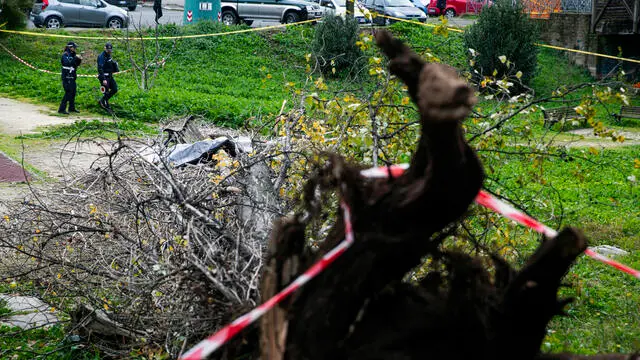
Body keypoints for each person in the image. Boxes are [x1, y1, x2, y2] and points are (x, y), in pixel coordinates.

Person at [58, 41, 82, 115]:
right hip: (66, 75)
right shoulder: (65, 55)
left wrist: (79, 60)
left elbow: (75, 65)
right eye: (74, 47)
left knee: (73, 92)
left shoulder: (73, 54)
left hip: (72, 75)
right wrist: (75, 59)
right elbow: (67, 63)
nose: (75, 49)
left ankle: (71, 108)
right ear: (70, 47)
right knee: (68, 92)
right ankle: (61, 109)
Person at [97, 42, 119, 111]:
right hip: (104, 76)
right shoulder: (101, 56)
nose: (109, 51)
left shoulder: (109, 56)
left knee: (114, 89)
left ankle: (103, 100)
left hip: (109, 76)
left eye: (110, 50)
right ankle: (106, 105)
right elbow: (100, 68)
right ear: (105, 48)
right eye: (108, 49)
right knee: (105, 91)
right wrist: (103, 79)